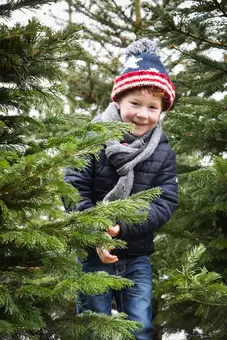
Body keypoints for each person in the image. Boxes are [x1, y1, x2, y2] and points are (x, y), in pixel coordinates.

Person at [64, 38, 178, 340]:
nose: (143, 114)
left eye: (152, 107)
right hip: (92, 252)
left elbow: (165, 201)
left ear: (162, 110)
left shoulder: (162, 151)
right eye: (135, 104)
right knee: (93, 322)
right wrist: (97, 230)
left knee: (140, 326)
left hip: (136, 254)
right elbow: (74, 187)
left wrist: (120, 227)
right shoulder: (94, 137)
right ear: (118, 102)